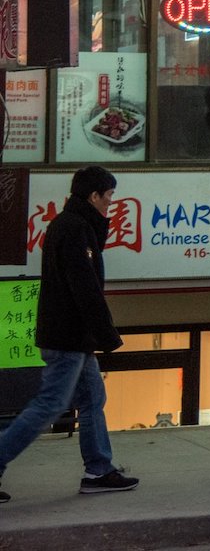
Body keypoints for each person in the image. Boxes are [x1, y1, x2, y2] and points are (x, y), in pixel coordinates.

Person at [0, 166, 137, 503]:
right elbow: (84, 287)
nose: (111, 204)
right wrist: (107, 336)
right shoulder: (74, 229)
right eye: (108, 197)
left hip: (74, 337)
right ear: (93, 196)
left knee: (92, 399)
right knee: (50, 405)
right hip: (68, 338)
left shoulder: (74, 225)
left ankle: (98, 471)